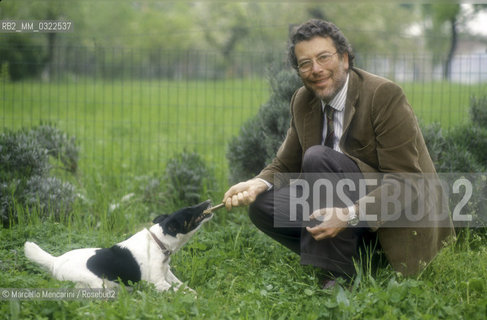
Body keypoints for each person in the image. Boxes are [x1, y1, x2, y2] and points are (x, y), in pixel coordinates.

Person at [223, 19, 454, 286]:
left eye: (323, 57)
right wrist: (256, 183)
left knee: (318, 158)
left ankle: (335, 279)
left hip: (393, 218)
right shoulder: (302, 100)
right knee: (263, 205)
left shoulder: (383, 95)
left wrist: (348, 214)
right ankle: (357, 258)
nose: (316, 69)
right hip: (343, 205)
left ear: (344, 59)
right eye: (305, 63)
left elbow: (407, 182)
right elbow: (283, 164)